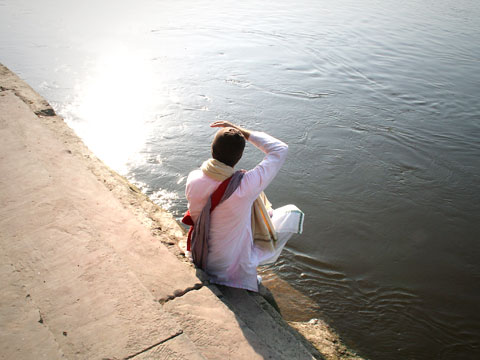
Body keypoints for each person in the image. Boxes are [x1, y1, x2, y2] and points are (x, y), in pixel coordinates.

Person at [184, 121, 304, 292]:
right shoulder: (246, 185)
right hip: (227, 266)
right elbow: (280, 149)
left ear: (212, 149)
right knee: (291, 213)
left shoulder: (193, 178)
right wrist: (241, 131)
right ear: (239, 156)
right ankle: (244, 276)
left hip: (199, 252)